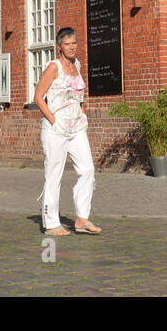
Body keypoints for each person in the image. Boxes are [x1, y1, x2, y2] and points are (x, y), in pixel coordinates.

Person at [34, 27, 100, 237]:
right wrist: (53, 120)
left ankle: (81, 218)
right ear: (59, 47)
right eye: (67, 44)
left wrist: (82, 113)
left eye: (74, 43)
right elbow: (38, 97)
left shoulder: (77, 64)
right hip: (56, 128)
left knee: (87, 168)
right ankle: (51, 223)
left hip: (76, 126)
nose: (72, 47)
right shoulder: (54, 67)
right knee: (54, 173)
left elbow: (79, 96)